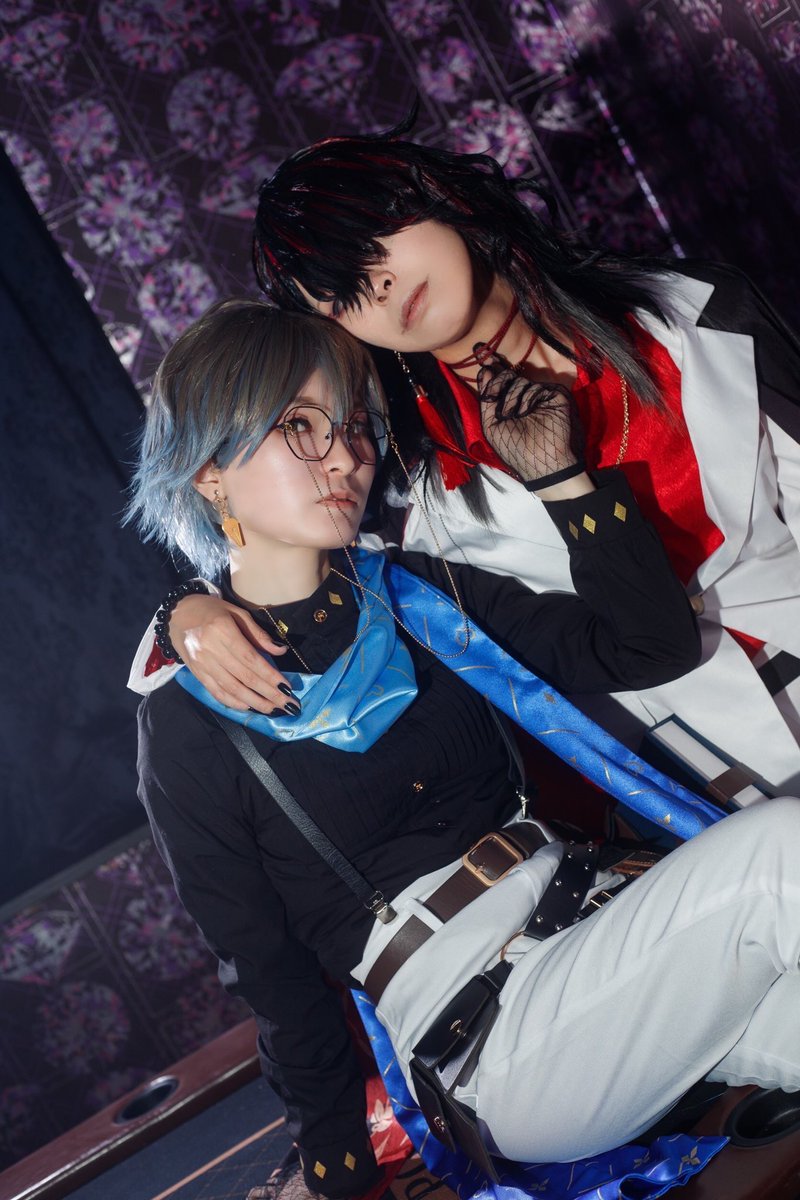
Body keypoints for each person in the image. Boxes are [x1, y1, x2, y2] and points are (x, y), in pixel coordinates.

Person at [131, 299, 800, 1200]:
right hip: (501, 1042)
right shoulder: (186, 722)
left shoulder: (417, 594)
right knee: (783, 845)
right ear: (210, 471)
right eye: (300, 427)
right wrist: (336, 1170)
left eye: (354, 427)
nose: (345, 457)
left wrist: (562, 478)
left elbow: (651, 648)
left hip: (622, 942)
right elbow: (273, 976)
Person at [135, 120, 800, 798]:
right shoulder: (399, 477)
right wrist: (184, 614)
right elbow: (293, 574)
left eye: (374, 240)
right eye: (345, 294)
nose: (381, 286)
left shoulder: (688, 312)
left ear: (431, 192)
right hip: (711, 767)